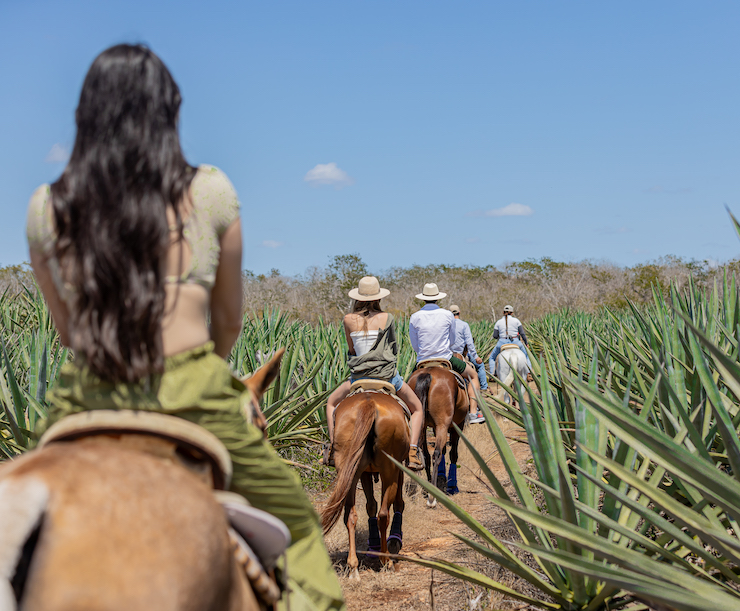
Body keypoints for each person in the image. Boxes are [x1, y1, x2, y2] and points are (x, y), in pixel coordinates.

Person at [26, 44, 344, 611]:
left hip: (84, 395)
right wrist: (198, 369)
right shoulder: (211, 191)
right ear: (170, 111)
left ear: (85, 116)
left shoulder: (47, 208)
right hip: (193, 391)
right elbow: (227, 323)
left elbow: (68, 333)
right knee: (300, 535)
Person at [323, 276, 425, 470]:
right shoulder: (387, 318)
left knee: (331, 403)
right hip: (386, 376)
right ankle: (412, 451)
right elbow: (393, 348)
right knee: (417, 408)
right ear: (378, 297)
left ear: (357, 297)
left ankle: (333, 447)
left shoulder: (348, 319)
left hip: (359, 378)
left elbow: (351, 350)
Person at [408, 283, 478, 413]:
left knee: (408, 385)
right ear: (438, 298)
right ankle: (473, 412)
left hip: (422, 360)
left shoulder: (415, 316)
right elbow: (452, 340)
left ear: (423, 299)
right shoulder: (447, 314)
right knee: (473, 375)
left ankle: (407, 417)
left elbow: (415, 345)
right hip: (445, 358)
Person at [448, 305, 488, 423]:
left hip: (442, 354)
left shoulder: (446, 324)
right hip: (457, 356)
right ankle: (474, 411)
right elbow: (470, 344)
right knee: (477, 370)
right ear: (459, 312)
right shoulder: (464, 325)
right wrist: (476, 357)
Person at [488, 305, 533, 380]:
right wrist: (526, 343)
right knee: (526, 356)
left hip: (502, 342)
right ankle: (528, 373)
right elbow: (522, 333)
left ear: (503, 312)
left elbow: (495, 335)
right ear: (512, 313)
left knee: (492, 357)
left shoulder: (498, 322)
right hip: (515, 341)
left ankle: (493, 374)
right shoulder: (516, 321)